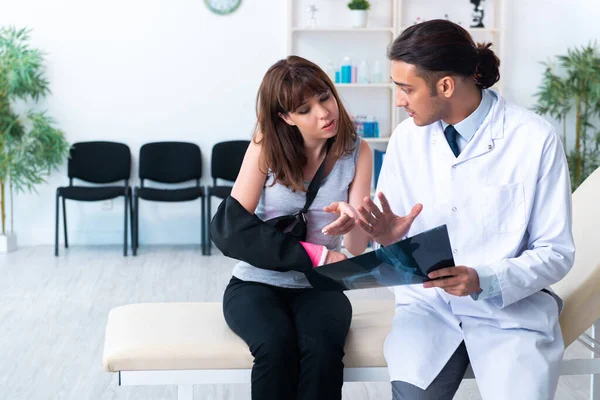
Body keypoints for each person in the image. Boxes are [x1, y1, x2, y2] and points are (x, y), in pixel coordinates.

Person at [356, 20, 575, 399]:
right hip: (429, 308)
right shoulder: (408, 138)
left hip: (508, 312)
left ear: (445, 85)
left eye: (407, 89)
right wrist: (390, 240)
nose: (398, 100)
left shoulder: (533, 140)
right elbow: (397, 245)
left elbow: (556, 253)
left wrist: (483, 279)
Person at [220, 55, 372, 400]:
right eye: (304, 109)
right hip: (255, 283)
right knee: (275, 347)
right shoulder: (265, 146)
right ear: (285, 117)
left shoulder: (357, 152)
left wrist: (353, 222)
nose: (323, 113)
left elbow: (357, 248)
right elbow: (234, 226)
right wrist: (316, 253)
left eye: (324, 97)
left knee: (323, 353)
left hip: (321, 286)